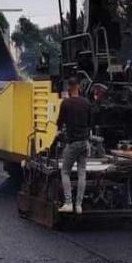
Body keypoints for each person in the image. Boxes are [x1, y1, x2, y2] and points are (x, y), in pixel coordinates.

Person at [57, 76, 93, 214]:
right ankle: (79, 205)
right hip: (85, 143)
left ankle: (68, 203)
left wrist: (60, 132)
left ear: (68, 88)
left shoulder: (65, 104)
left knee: (65, 171)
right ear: (78, 87)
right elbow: (91, 122)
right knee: (81, 173)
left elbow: (59, 123)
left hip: (73, 143)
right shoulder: (86, 103)